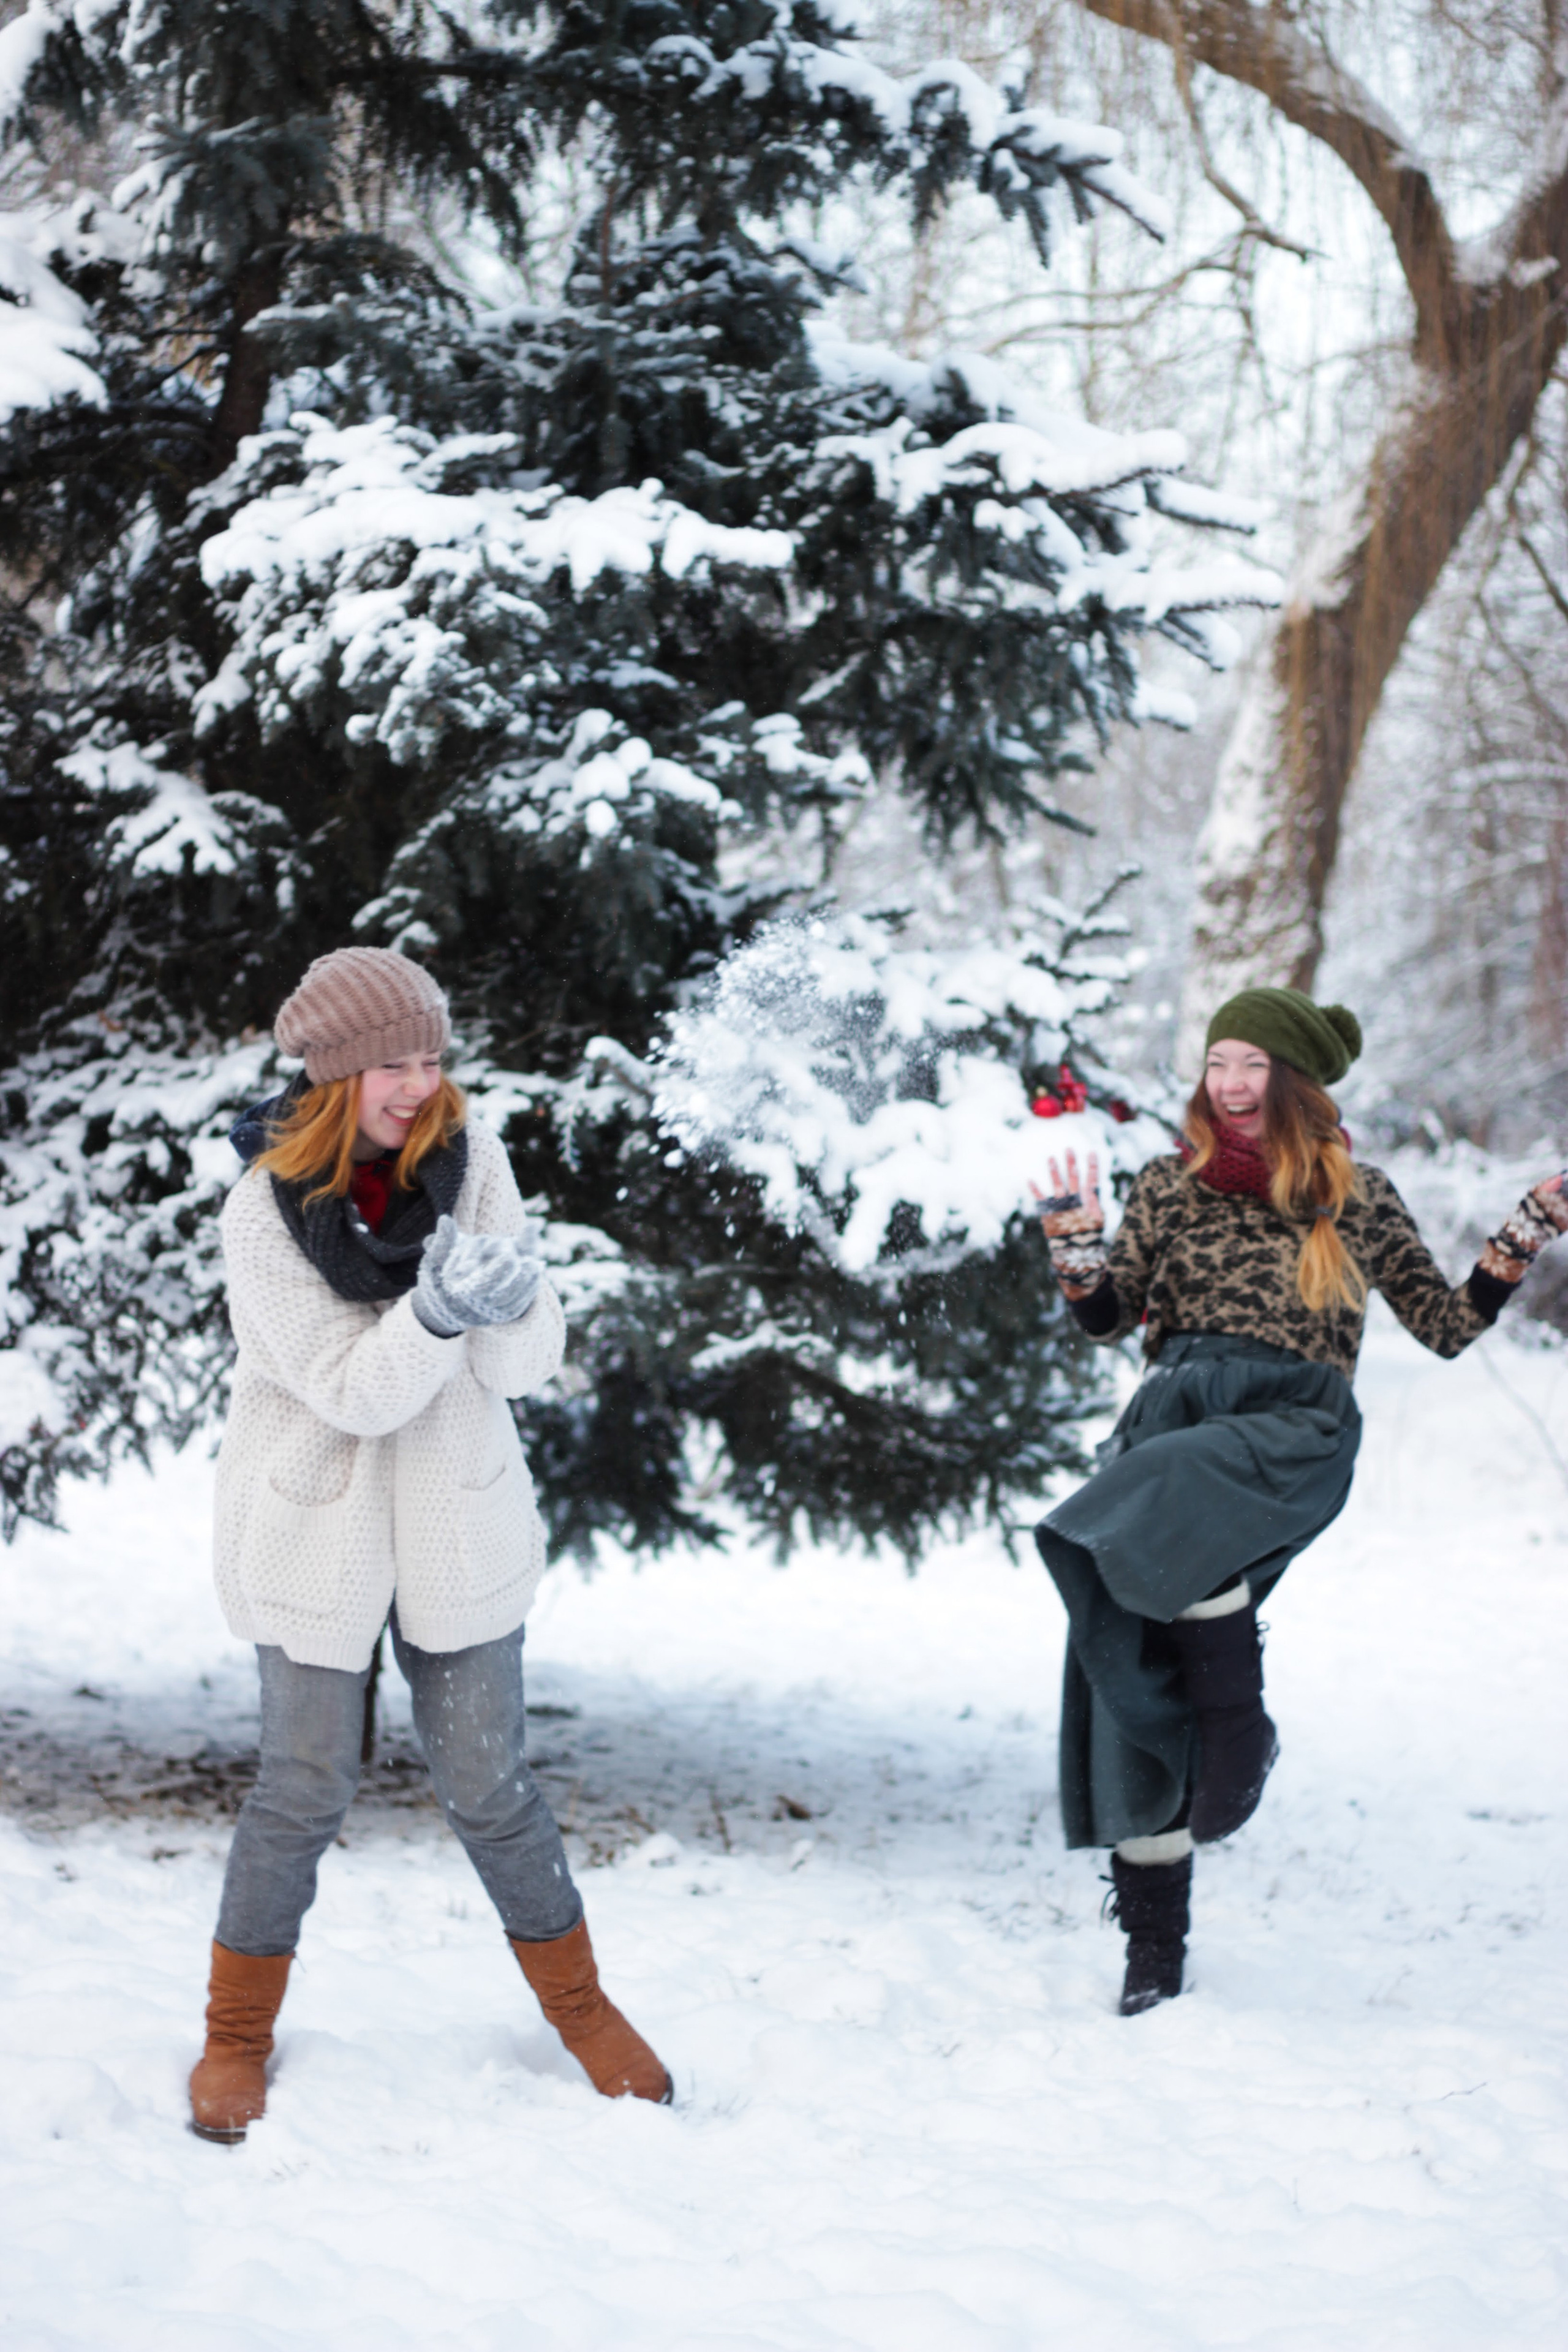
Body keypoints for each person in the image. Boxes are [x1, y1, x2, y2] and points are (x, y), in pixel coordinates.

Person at [188, 946, 670, 2143]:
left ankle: (583, 2009)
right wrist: (436, 1312)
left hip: (456, 1515)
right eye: (391, 1064)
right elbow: (352, 1390)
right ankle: (234, 2037)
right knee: (303, 1786)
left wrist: (508, 1307)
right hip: (317, 1521)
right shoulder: (262, 1212)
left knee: (489, 1784)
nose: (418, 1084)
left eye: (431, 1057)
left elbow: (525, 1367)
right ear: (333, 1073)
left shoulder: (471, 1161)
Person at [1031, 986, 1567, 2016]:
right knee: (1119, 1658)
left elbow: (1447, 1326)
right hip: (1171, 1423)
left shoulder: (1357, 1195)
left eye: (1254, 1065)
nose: (1230, 1085)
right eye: (1218, 1062)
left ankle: (1239, 1727)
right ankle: (1154, 1953)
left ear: (1295, 1082)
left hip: (1289, 1428)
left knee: (1151, 1498)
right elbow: (1109, 1321)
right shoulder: (1166, 1185)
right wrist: (1075, 1247)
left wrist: (1527, 1229)